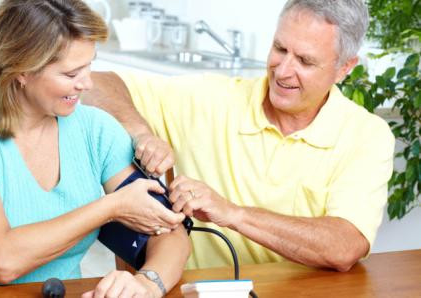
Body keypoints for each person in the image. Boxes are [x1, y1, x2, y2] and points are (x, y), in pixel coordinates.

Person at [83, 0, 395, 272]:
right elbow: (95, 83)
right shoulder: (212, 99)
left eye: (305, 61)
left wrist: (233, 214)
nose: (283, 71)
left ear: (344, 69)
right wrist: (141, 132)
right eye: (280, 49)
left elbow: (344, 247)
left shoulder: (367, 136)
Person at [0, 0, 190, 296]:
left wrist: (147, 283)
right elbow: (0, 261)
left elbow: (170, 233)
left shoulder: (95, 129)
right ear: (21, 70)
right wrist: (110, 207)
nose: (86, 84)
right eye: (70, 74)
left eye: (89, 66)